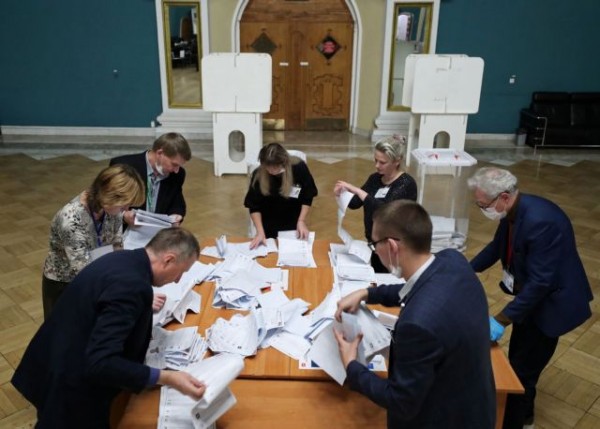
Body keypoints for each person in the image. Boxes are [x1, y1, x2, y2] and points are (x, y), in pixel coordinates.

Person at [12, 228, 206, 429]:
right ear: (168, 260)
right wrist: (166, 377)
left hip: (56, 355)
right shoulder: (132, 286)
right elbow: (102, 363)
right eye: (181, 272)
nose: (178, 280)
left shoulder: (125, 259)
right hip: (70, 383)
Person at [334, 200, 495, 429]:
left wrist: (352, 365)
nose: (374, 250)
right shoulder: (453, 260)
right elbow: (416, 287)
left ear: (392, 246)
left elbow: (401, 401)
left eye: (374, 243)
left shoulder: (417, 325)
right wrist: (367, 293)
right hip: (475, 402)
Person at [467, 167, 593, 429]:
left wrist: (501, 319)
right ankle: (524, 416)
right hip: (531, 300)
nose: (482, 209)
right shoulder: (512, 211)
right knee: (519, 362)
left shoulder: (540, 222)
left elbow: (541, 283)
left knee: (522, 372)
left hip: (552, 306)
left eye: (483, 205)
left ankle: (516, 422)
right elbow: (496, 247)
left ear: (503, 197)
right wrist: (465, 270)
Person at [42, 163, 145, 320]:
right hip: (65, 284)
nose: (126, 209)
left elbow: (116, 246)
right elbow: (83, 271)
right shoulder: (71, 220)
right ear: (110, 195)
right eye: (125, 204)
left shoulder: (111, 208)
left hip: (98, 273)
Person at [334, 135, 417, 272]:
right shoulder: (375, 179)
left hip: (396, 250)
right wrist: (343, 193)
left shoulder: (406, 184)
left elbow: (384, 211)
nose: (377, 166)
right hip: (375, 245)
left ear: (397, 161)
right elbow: (355, 203)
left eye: (382, 162)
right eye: (375, 160)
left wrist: (358, 191)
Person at [244, 143, 318, 249]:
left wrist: (301, 221)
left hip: (294, 225)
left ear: (283, 162)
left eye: (275, 167)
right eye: (268, 168)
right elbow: (254, 206)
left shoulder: (298, 168)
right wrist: (260, 232)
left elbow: (307, 196)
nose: (271, 171)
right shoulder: (258, 175)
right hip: (268, 227)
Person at [109, 132, 192, 228]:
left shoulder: (177, 174)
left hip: (158, 232)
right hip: (127, 230)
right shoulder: (123, 167)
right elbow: (108, 202)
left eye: (179, 166)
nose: (176, 170)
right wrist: (123, 215)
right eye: (174, 164)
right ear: (160, 153)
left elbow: (177, 202)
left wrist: (176, 215)